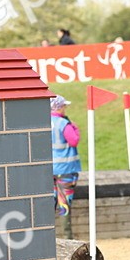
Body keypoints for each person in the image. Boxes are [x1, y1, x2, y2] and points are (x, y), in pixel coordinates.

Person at [51, 95, 81, 238]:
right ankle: (67, 237)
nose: (65, 108)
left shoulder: (43, 122)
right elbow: (74, 141)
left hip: (48, 170)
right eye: (64, 106)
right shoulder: (64, 124)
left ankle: (47, 235)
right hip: (66, 170)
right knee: (64, 204)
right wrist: (75, 127)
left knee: (49, 203)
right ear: (58, 107)